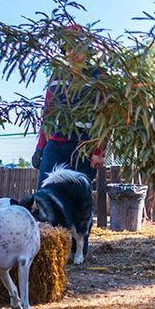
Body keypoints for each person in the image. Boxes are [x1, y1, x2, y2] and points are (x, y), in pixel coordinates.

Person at [32, 25, 106, 187]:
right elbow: (48, 114)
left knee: (78, 198)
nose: (72, 53)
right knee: (45, 193)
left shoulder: (98, 76)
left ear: (87, 50)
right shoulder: (57, 75)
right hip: (56, 145)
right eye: (68, 48)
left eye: (77, 47)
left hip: (84, 147)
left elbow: (105, 116)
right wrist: (40, 147)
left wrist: (98, 151)